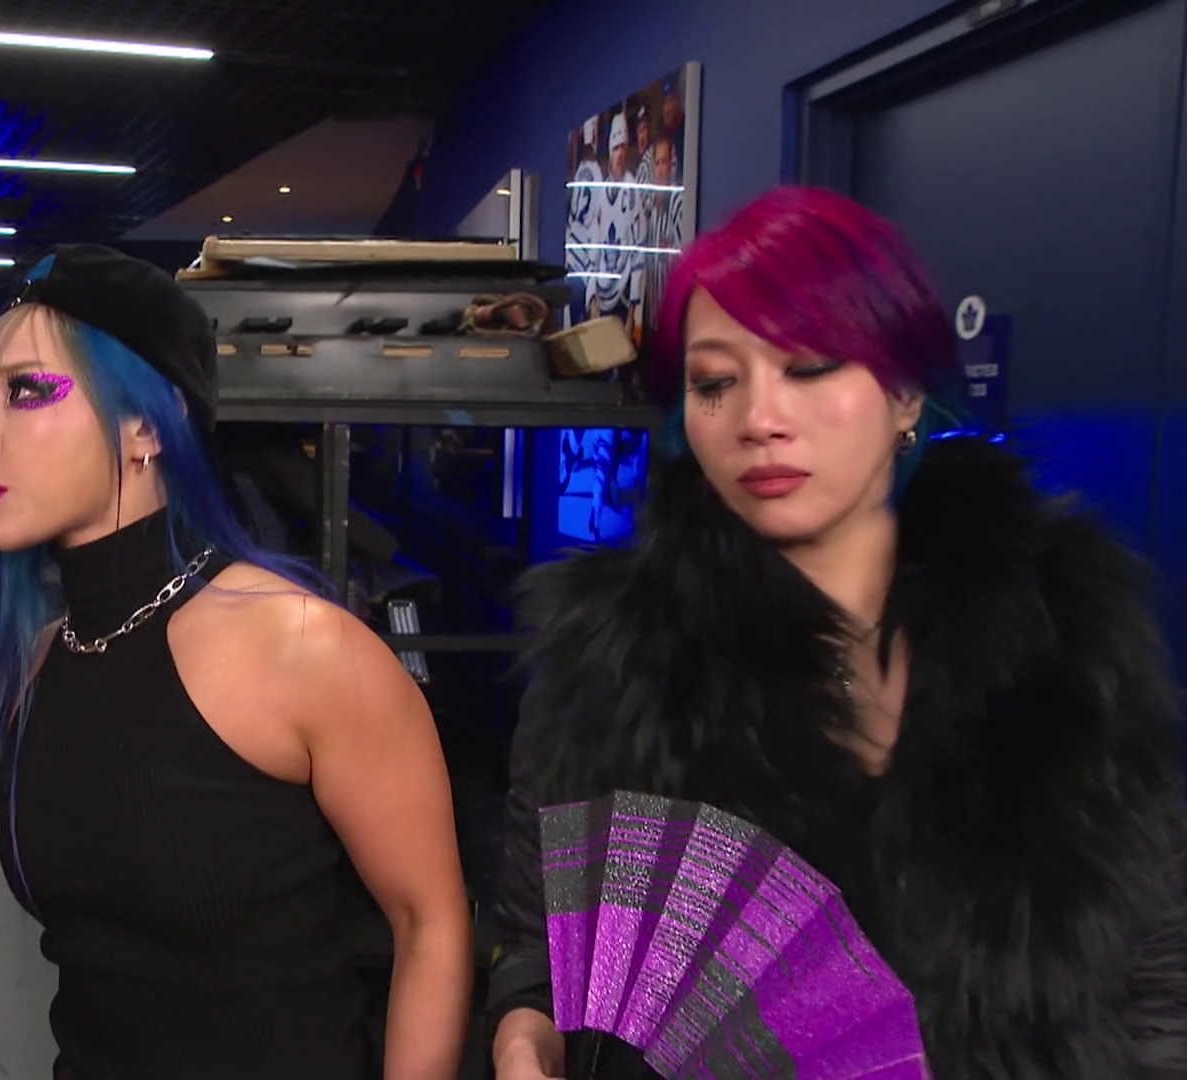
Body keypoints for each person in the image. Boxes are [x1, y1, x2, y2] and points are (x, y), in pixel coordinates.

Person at [488, 186, 1187, 1079]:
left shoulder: (1070, 644)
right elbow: (538, 952)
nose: (759, 420)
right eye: (714, 383)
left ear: (905, 395)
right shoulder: (609, 669)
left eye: (811, 367)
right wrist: (522, 1035)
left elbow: (1159, 980)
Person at [0, 244, 474, 1080]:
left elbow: (431, 923)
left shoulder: (303, 649)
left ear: (145, 425)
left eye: (27, 392)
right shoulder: (45, 662)